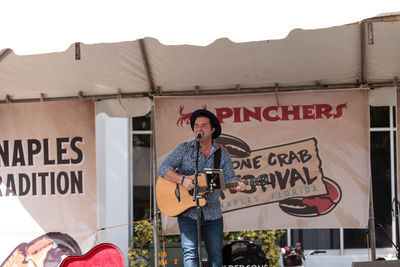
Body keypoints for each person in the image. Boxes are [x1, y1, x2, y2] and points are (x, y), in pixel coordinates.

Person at [158, 109, 246, 267]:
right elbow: (163, 168)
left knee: (216, 255)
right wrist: (182, 180)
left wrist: (237, 184)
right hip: (187, 212)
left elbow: (229, 179)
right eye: (196, 125)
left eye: (204, 125)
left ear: (212, 129)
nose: (199, 128)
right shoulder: (184, 149)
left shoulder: (222, 155)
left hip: (213, 213)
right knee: (190, 253)